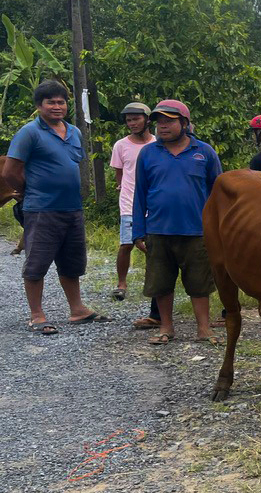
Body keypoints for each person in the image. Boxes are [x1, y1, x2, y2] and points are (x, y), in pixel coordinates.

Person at [1, 80, 104, 334]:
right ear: (39, 106)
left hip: (72, 208)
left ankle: (77, 309)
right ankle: (37, 314)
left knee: (72, 261)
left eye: (61, 102)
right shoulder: (29, 132)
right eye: (51, 102)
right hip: (41, 209)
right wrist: (27, 190)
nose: (57, 106)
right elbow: (10, 171)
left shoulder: (74, 132)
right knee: (37, 262)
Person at [131, 99, 222, 345]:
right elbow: (139, 193)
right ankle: (166, 328)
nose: (163, 126)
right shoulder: (148, 153)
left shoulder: (204, 152)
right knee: (161, 282)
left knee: (199, 282)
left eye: (169, 121)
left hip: (197, 230)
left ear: (185, 123)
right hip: (158, 230)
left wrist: (218, 229)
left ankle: (203, 328)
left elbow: (218, 192)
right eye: (159, 121)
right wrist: (138, 232)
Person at [109, 102, 155, 302]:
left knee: (152, 246)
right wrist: (124, 192)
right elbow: (119, 174)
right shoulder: (121, 145)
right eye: (129, 120)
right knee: (126, 244)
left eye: (136, 119)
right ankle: (121, 283)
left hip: (153, 203)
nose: (132, 123)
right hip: (129, 202)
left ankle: (153, 282)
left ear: (147, 120)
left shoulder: (157, 143)